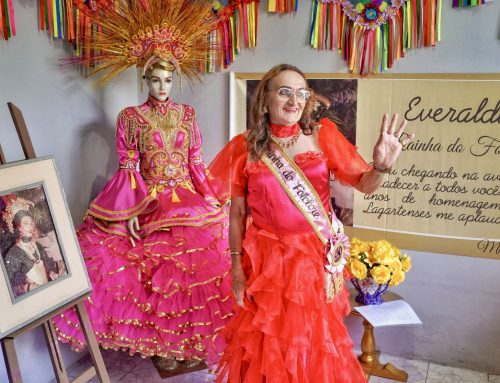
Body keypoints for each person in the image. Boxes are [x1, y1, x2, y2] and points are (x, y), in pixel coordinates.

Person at [52, 0, 233, 370]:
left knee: (198, 272)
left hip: (188, 196)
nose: (162, 86)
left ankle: (194, 342)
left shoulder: (188, 114)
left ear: (175, 78)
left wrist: (211, 197)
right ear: (144, 79)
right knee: (156, 277)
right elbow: (128, 167)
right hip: (151, 200)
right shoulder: (131, 117)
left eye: (168, 80)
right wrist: (126, 210)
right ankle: (165, 347)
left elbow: (196, 160)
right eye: (155, 79)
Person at [209, 63, 414, 382]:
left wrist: (382, 167)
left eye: (302, 93)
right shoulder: (243, 147)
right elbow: (236, 214)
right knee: (266, 339)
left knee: (312, 339)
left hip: (312, 260)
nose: (294, 101)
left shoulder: (323, 137)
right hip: (264, 261)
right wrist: (236, 267)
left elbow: (365, 185)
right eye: (284, 92)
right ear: (265, 99)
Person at [4, 210, 60, 297]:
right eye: (26, 223)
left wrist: (51, 273)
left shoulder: (37, 245)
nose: (30, 226)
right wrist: (29, 287)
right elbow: (10, 286)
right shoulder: (13, 253)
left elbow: (46, 265)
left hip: (48, 292)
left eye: (31, 223)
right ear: (18, 227)